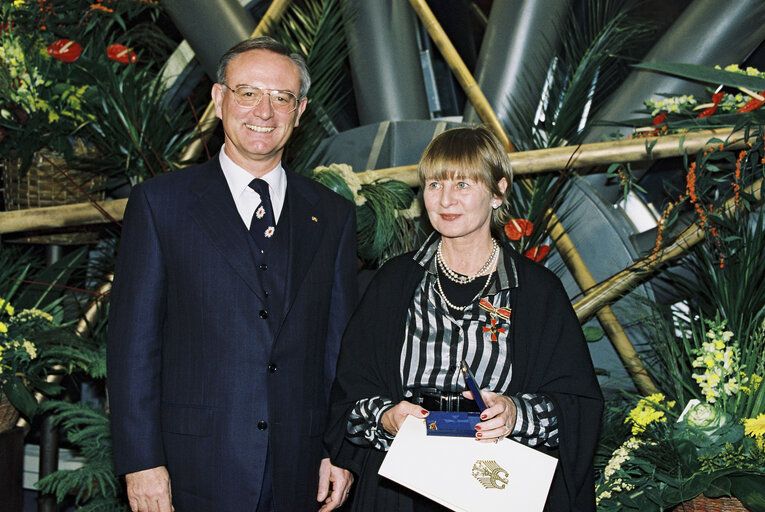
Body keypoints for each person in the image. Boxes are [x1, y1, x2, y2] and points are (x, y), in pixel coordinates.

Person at [107, 36, 357, 512]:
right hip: (191, 468)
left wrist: (337, 450)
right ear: (220, 100)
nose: (264, 111)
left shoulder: (333, 216)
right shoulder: (161, 205)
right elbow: (133, 346)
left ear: (300, 111)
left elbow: (337, 349)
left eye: (281, 98)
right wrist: (140, 462)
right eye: (248, 93)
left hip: (299, 469)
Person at [325, 126, 604, 511]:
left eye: (463, 184)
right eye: (435, 184)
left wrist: (514, 413)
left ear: (498, 190)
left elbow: (578, 407)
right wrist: (387, 416)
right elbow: (346, 402)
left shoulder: (537, 292)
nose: (446, 199)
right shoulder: (393, 283)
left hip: (494, 487)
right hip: (399, 491)